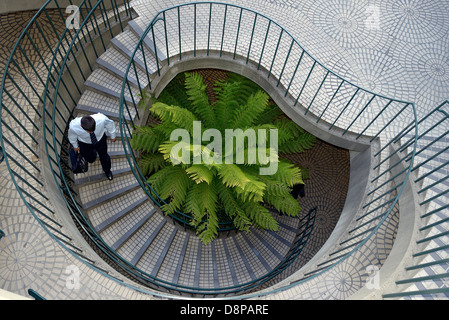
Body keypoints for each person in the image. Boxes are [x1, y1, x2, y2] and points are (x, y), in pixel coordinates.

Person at [68, 113, 116, 180]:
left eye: (93, 130)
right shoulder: (74, 126)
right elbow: (72, 137)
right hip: (84, 143)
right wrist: (75, 146)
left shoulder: (101, 119)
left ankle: (107, 170)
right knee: (90, 159)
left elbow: (110, 124)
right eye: (89, 131)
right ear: (81, 126)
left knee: (104, 156)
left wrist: (113, 135)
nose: (91, 132)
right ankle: (93, 154)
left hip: (100, 140)